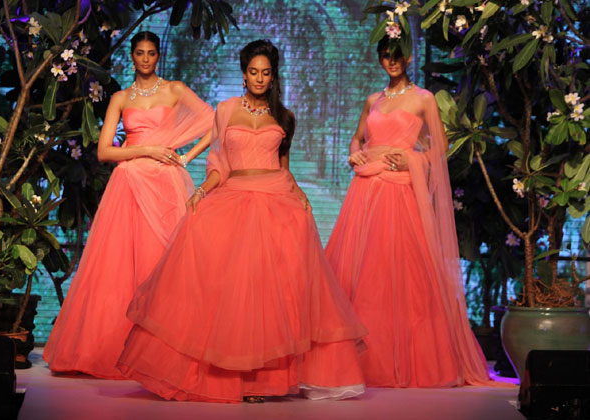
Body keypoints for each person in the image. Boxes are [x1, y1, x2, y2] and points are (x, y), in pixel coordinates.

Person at [117, 40, 366, 402]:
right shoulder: (225, 109)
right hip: (235, 198)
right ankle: (234, 378)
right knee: (234, 292)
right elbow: (221, 164)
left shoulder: (284, 117)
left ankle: (266, 380)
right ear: (244, 72)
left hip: (278, 202)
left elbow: (284, 168)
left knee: (274, 297)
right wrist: (203, 190)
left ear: (273, 75)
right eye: (253, 72)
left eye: (266, 73)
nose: (259, 78)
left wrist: (300, 196)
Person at [43, 31, 214, 379]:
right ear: (133, 57)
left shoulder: (175, 90)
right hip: (129, 183)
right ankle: (111, 351)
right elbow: (105, 151)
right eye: (140, 53)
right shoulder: (120, 98)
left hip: (166, 184)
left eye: (152, 53)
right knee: (118, 270)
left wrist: (188, 157)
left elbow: (215, 122)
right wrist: (146, 150)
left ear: (157, 56)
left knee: (164, 265)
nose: (146, 58)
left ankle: (165, 354)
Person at [325, 37, 494, 387]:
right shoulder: (373, 99)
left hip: (400, 192)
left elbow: (441, 149)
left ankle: (411, 362)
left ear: (409, 56)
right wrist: (355, 153)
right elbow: (358, 139)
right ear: (379, 60)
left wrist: (413, 157)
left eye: (397, 55)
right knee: (362, 274)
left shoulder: (424, 99)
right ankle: (359, 364)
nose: (392, 61)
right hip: (365, 193)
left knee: (404, 275)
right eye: (386, 56)